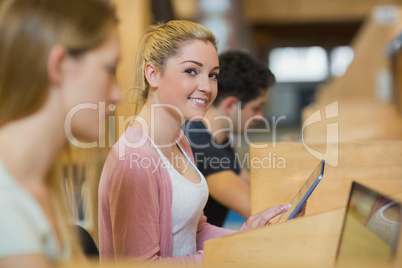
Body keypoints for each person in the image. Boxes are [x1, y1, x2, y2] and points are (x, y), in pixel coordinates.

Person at [98, 20, 292, 266]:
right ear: (153, 74)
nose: (207, 87)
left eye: (213, 75)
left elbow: (195, 229)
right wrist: (231, 251)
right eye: (191, 71)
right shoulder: (135, 160)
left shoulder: (179, 141)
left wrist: (244, 237)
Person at [0, 0, 120, 267]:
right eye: (109, 70)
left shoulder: (40, 183)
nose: (118, 95)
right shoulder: (6, 200)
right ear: (59, 65)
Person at [182, 50, 276, 226]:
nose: (260, 116)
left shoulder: (219, 140)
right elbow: (258, 210)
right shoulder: (200, 145)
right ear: (231, 105)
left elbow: (252, 185)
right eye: (256, 108)